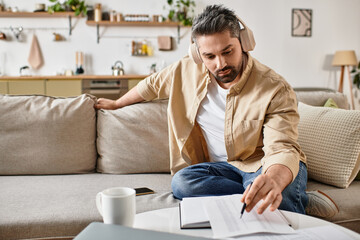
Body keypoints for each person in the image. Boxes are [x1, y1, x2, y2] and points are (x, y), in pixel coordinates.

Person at [95, 4, 338, 218]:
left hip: (263, 163)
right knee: (182, 183)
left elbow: (282, 147)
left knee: (274, 195)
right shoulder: (185, 70)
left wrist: (274, 178)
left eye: (227, 51)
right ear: (197, 54)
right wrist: (117, 104)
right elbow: (151, 86)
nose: (220, 64)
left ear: (244, 43)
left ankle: (287, 195)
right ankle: (293, 198)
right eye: (209, 56)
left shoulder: (275, 87)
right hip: (221, 169)